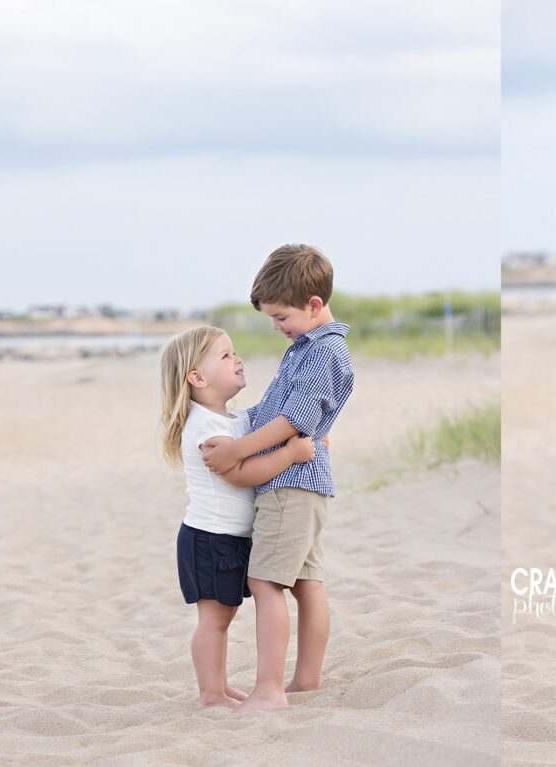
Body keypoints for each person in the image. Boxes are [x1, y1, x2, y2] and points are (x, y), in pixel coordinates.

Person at [201, 244, 355, 713]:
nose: (277, 326)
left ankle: (268, 688)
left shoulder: (323, 351)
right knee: (308, 582)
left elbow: (294, 419)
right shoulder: (306, 347)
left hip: (291, 483)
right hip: (305, 480)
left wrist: (236, 451)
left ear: (313, 305)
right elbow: (275, 411)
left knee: (265, 581)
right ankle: (305, 678)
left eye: (281, 316)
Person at [159, 326, 317, 710]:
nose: (238, 359)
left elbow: (262, 440)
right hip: (208, 537)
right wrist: (292, 455)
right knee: (213, 621)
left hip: (228, 537)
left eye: (235, 352)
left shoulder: (232, 418)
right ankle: (210, 694)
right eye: (226, 356)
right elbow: (240, 473)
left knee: (224, 617)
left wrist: (308, 439)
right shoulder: (205, 427)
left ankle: (219, 686)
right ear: (197, 378)